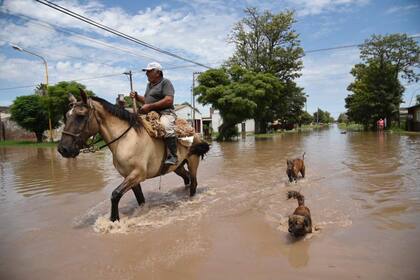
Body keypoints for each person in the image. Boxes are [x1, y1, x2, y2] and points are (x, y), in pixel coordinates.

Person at [130, 62, 178, 165]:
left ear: (158, 73)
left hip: (166, 113)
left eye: (149, 71)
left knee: (166, 126)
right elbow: (147, 100)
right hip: (151, 114)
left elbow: (169, 100)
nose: (146, 74)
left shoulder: (166, 82)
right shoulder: (149, 85)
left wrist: (150, 106)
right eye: (146, 72)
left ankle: (173, 156)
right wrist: (137, 97)